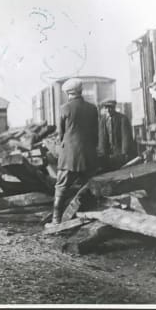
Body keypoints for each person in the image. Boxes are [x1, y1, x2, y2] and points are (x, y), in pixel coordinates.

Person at [46, 78, 98, 227]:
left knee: (61, 186)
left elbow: (61, 134)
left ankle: (56, 220)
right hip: (89, 155)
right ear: (80, 91)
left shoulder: (65, 109)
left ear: (68, 93)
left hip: (70, 156)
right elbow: (95, 134)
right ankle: (92, 217)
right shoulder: (92, 108)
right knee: (90, 185)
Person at [98, 100, 136, 171]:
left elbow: (126, 137)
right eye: (106, 108)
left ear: (114, 107)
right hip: (108, 153)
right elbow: (101, 137)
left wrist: (125, 153)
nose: (108, 110)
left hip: (119, 153)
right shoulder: (102, 120)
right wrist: (102, 153)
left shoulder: (122, 119)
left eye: (110, 108)